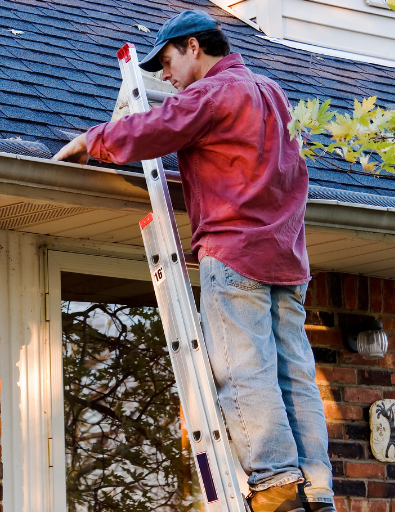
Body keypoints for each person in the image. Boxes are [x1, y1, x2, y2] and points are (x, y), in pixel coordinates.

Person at [53, 10, 335, 512]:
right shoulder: (272, 92)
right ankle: (316, 487)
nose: (163, 76)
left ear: (193, 47)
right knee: (294, 372)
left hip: (236, 251)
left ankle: (274, 482)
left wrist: (92, 140)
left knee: (244, 369)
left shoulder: (214, 93)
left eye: (166, 61)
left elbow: (160, 127)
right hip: (288, 257)